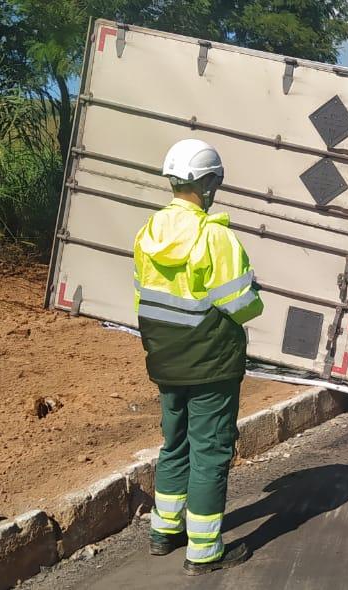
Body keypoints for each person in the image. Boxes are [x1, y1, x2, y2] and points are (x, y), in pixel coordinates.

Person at [132, 138, 263, 575]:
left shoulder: (148, 232)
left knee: (175, 444)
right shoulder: (215, 237)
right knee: (209, 452)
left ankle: (164, 531)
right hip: (211, 364)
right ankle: (204, 552)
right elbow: (242, 305)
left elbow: (144, 295)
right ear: (208, 184)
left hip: (165, 359)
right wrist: (253, 294)